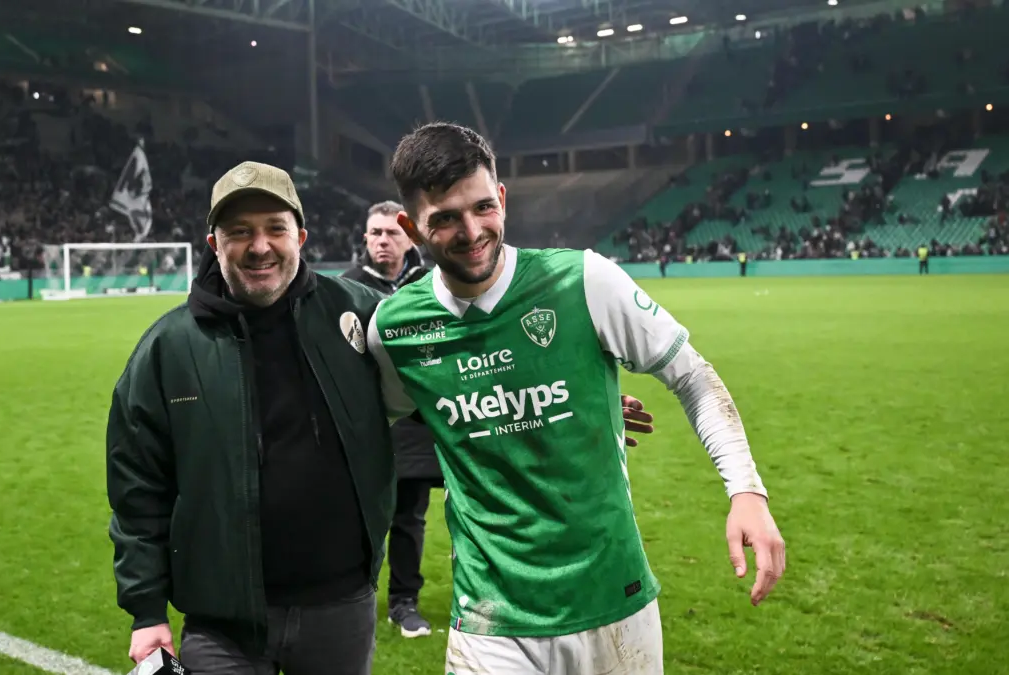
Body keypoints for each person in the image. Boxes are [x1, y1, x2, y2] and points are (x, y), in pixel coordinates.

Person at [365, 122, 787, 675]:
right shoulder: (395, 328)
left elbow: (693, 376)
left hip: (615, 600)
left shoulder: (584, 280)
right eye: (444, 218)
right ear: (411, 227)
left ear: (503, 198)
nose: (471, 231)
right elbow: (373, 428)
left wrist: (747, 491)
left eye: (483, 207)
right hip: (491, 619)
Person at [106, 160, 397, 675]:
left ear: (301, 236)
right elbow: (137, 488)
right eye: (240, 232)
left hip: (341, 605)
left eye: (274, 229)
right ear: (214, 244)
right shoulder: (168, 348)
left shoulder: (364, 315)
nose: (259, 246)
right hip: (223, 623)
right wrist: (147, 610)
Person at [342, 200, 441, 639]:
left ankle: (404, 603)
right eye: (375, 233)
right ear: (364, 238)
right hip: (363, 427)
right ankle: (351, 598)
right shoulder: (344, 289)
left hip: (418, 428)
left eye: (392, 233)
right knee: (355, 519)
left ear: (409, 238)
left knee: (408, 518)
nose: (383, 241)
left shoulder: (431, 285)